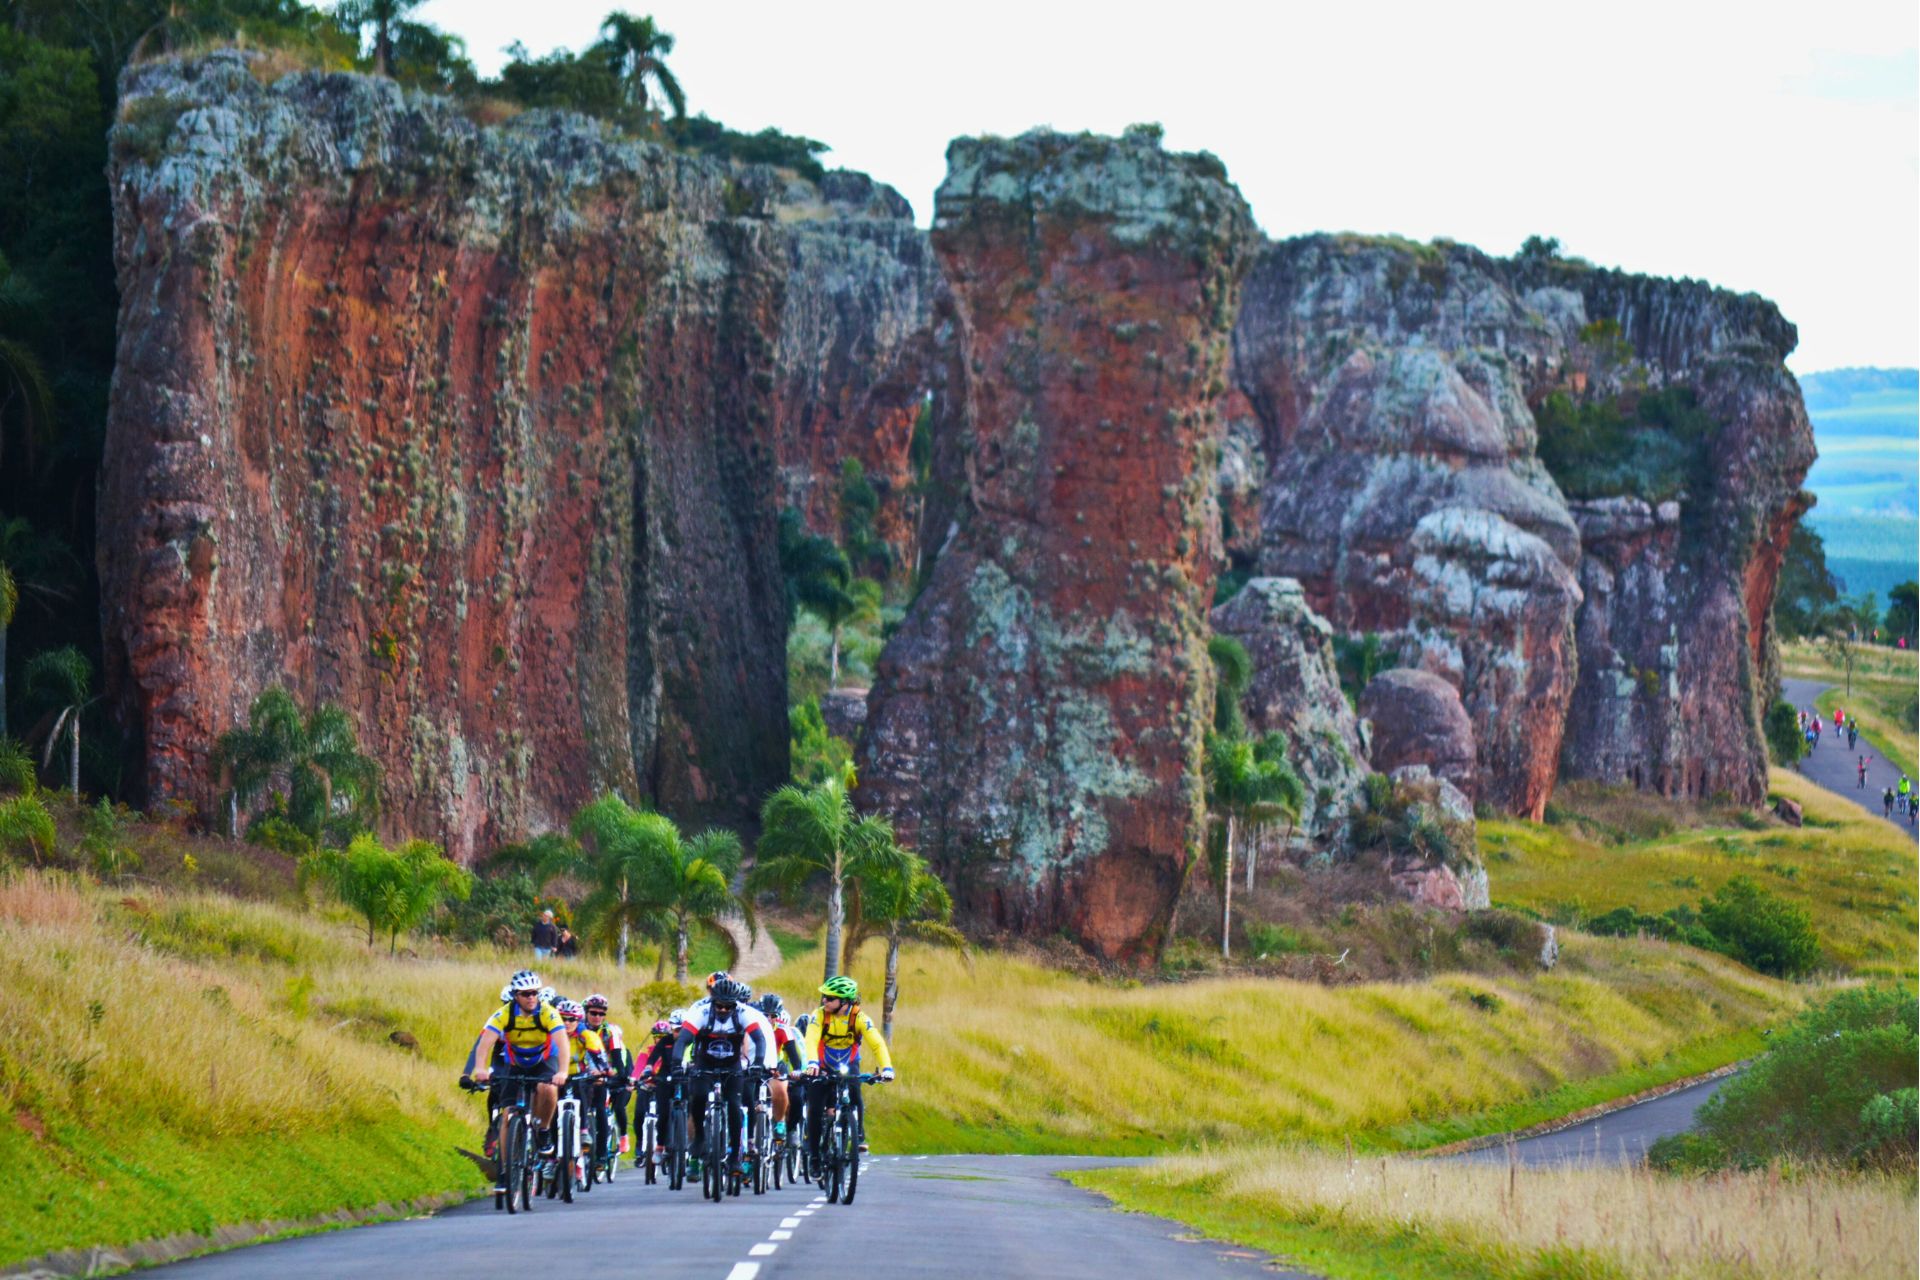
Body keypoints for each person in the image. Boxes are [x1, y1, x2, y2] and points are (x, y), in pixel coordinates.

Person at [463, 970, 569, 1161]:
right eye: (526, 994)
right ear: (515, 996)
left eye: (535, 993)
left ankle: (543, 1130)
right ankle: (505, 1169)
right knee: (508, 1115)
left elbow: (562, 1043)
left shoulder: (548, 1013)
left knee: (548, 1089)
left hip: (543, 1059)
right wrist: (480, 1068)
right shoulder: (503, 1014)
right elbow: (484, 1043)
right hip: (515, 1062)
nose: (531, 998)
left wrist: (562, 1071)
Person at [673, 978, 774, 1179]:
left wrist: (757, 1063)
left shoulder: (744, 1014)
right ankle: (700, 1137)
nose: (723, 1010)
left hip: (732, 1065)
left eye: (728, 1006)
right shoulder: (700, 1012)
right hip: (705, 1063)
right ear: (713, 1000)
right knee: (699, 1096)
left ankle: (735, 1154)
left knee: (735, 1105)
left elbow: (759, 1039)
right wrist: (676, 1064)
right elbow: (683, 1040)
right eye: (719, 1005)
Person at [802, 975, 893, 1160]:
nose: (824, 1000)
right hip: (821, 1064)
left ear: (844, 1001)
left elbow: (876, 1043)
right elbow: (810, 1039)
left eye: (830, 998)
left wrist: (887, 1068)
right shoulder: (819, 1015)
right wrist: (812, 1063)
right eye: (824, 996)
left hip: (849, 1062)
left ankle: (858, 1133)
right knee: (815, 1107)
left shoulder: (859, 1017)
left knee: (855, 1091)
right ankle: (814, 1156)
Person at [755, 992, 809, 1147]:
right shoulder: (752, 1027)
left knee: (796, 1097)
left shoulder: (783, 1030)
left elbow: (793, 1055)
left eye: (773, 1016)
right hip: (756, 1066)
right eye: (765, 1015)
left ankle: (788, 1128)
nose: (769, 1019)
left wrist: (798, 1070)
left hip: (777, 1066)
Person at [583, 994, 633, 1155]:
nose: (597, 1017)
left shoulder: (610, 1032)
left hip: (606, 1073)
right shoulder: (579, 1029)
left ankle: (601, 1154)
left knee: (601, 1109)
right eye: (593, 1013)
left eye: (601, 1014)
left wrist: (620, 1076)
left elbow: (618, 1059)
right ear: (586, 1012)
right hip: (584, 1072)